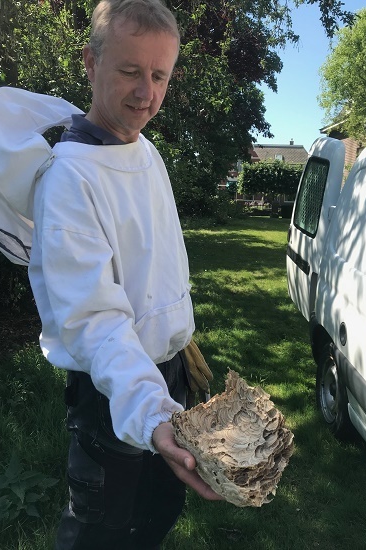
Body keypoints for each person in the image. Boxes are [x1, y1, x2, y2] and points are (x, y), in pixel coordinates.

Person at [27, 0, 221, 549]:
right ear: (91, 62)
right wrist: (154, 413)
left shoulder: (146, 149)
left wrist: (178, 338)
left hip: (170, 377)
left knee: (157, 514)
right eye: (131, 71)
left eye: (159, 75)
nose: (147, 93)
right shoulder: (68, 179)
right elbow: (94, 322)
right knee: (102, 533)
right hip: (112, 391)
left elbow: (156, 265)